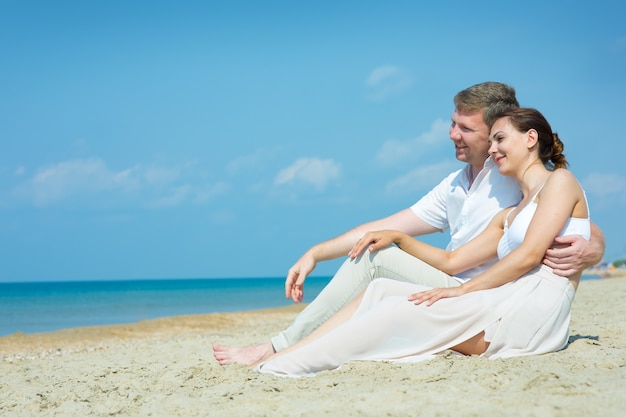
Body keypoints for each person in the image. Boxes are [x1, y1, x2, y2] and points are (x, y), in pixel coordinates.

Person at [213, 82, 604, 366]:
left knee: (374, 261)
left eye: (466, 129)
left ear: (497, 134)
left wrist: (594, 247)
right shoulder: (455, 185)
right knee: (377, 256)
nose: (452, 134)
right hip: (462, 285)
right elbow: (384, 225)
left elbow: (569, 218)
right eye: (452, 124)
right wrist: (315, 253)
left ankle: (278, 350)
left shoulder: (513, 174)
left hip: (489, 295)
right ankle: (292, 354)